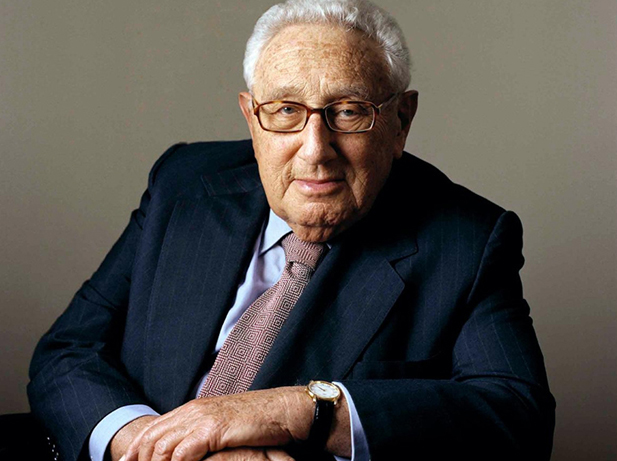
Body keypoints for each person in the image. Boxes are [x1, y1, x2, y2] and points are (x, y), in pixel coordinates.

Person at [27, 0, 555, 460]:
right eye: (284, 110)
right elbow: (68, 350)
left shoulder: (468, 240)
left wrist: (298, 410)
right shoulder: (182, 186)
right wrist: (151, 444)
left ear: (401, 121)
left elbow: (517, 417)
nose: (316, 149)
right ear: (250, 117)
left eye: (348, 112)